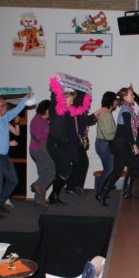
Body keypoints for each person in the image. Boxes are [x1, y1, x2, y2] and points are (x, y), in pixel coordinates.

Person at [0, 89, 31, 219]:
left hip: (4, 155)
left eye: (5, 105)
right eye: (1, 105)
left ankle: (0, 203)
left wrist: (26, 98)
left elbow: (17, 110)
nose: (4, 107)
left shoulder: (5, 118)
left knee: (13, 180)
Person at [47, 77, 92, 205]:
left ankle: (54, 195)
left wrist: (86, 88)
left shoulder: (70, 111)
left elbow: (80, 102)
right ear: (62, 98)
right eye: (68, 99)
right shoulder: (55, 108)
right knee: (66, 169)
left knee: (64, 170)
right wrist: (56, 80)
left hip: (63, 143)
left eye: (72, 100)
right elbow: (54, 94)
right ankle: (53, 195)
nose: (70, 102)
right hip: (54, 143)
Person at [97, 87, 139, 205]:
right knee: (122, 170)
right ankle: (105, 195)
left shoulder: (127, 109)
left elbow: (128, 129)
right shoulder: (126, 110)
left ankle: (123, 193)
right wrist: (134, 144)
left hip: (122, 143)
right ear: (125, 97)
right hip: (121, 144)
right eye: (131, 95)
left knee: (127, 168)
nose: (133, 96)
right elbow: (127, 129)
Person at [29, 100, 55, 206]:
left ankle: (39, 200)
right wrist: (50, 136)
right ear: (47, 109)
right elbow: (38, 136)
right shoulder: (37, 120)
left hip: (40, 149)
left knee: (43, 173)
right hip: (38, 149)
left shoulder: (43, 120)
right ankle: (37, 184)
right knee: (52, 171)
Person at [94, 92, 117, 198]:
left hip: (102, 143)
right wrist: (119, 132)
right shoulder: (106, 114)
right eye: (115, 100)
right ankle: (99, 193)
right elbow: (109, 134)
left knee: (108, 169)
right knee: (109, 169)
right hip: (104, 144)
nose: (117, 102)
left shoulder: (106, 113)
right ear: (111, 101)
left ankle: (101, 192)